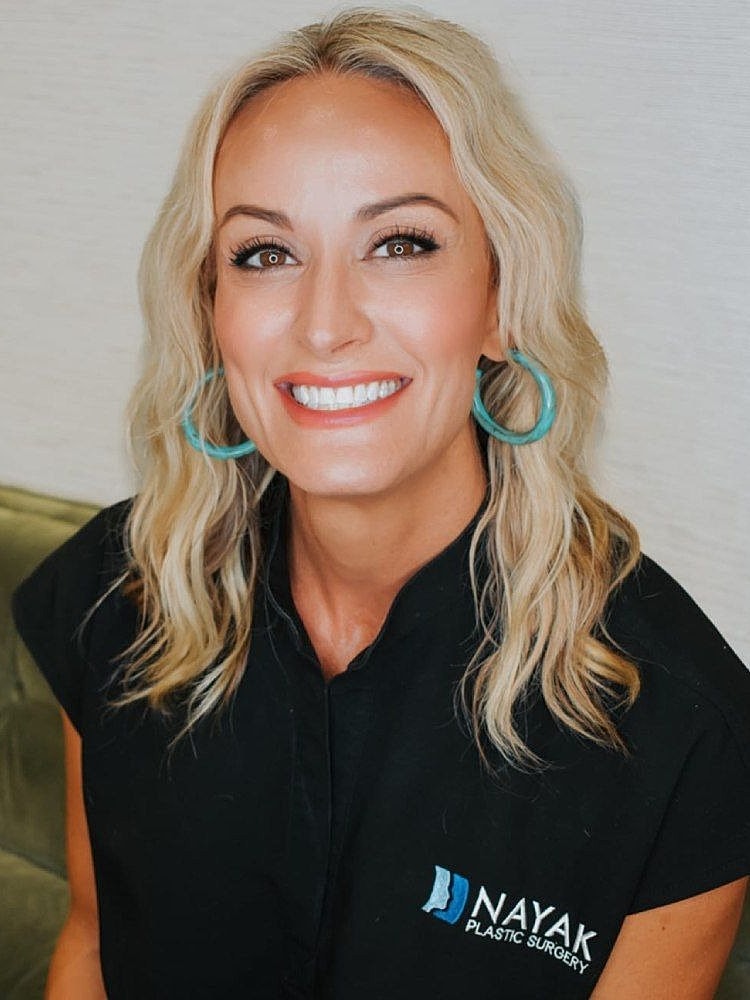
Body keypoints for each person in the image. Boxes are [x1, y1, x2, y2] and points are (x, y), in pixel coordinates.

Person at [11, 7, 750, 999]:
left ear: (499, 300)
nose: (324, 325)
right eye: (265, 254)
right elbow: (94, 948)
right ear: (210, 312)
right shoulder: (119, 595)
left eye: (400, 242)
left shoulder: (686, 731)